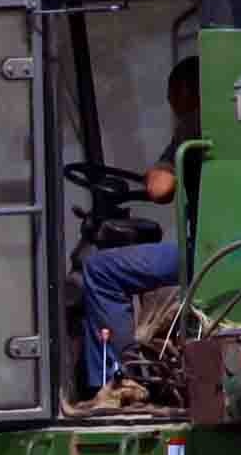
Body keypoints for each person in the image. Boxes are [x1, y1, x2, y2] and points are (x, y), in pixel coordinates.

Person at [80, 55, 202, 392]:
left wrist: (158, 169)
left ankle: (116, 382)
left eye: (172, 98)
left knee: (101, 271)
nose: (172, 107)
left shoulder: (194, 124)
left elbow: (159, 190)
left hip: (207, 254)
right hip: (223, 249)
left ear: (187, 91)